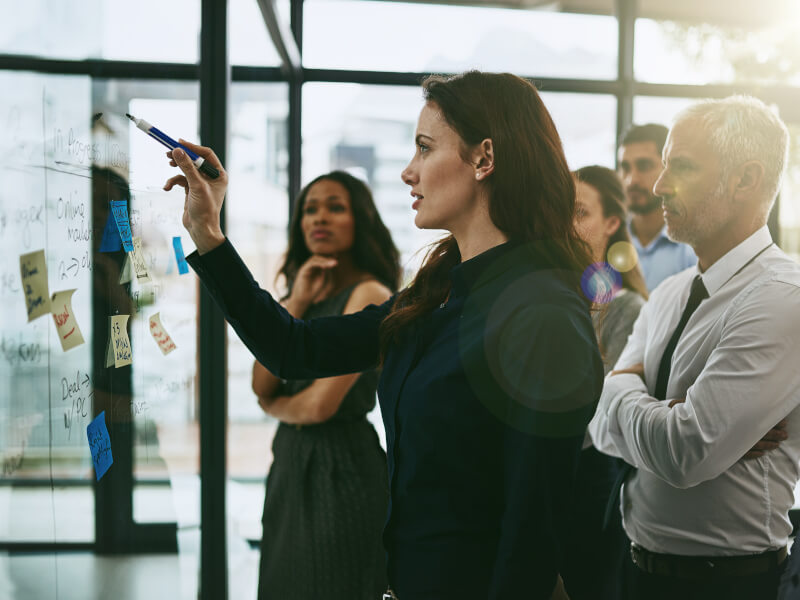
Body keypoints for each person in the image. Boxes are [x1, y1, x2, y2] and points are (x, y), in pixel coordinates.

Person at [164, 70, 604, 599]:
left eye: (424, 148)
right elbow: (294, 348)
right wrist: (208, 233)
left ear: (485, 159)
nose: (407, 172)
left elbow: (533, 534)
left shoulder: (543, 314)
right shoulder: (438, 291)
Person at [589, 95, 800, 600]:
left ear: (746, 179)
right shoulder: (666, 294)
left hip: (731, 585)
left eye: (679, 166)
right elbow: (597, 429)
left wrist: (618, 388)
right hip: (634, 572)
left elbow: (684, 453)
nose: (659, 185)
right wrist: (655, 412)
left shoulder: (781, 298)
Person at [250, 171, 399, 599]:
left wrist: (277, 408)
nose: (320, 218)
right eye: (311, 209)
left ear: (360, 220)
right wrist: (295, 300)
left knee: (335, 583)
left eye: (336, 207)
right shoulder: (304, 290)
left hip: (342, 465)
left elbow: (318, 407)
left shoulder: (369, 292)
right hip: (291, 462)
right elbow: (262, 383)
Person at [560, 165, 648, 600]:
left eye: (580, 212)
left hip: (592, 474)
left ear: (612, 223)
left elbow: (601, 401)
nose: (568, 225)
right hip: (545, 467)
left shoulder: (626, 306)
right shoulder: (548, 293)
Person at [618, 123, 696, 290]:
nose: (631, 180)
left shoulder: (693, 249)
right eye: (625, 168)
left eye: (644, 166)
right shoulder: (609, 238)